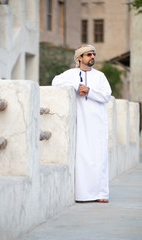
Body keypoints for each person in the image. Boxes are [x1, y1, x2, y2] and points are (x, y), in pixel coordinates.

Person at [52, 44, 112, 203]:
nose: (92, 57)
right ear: (79, 58)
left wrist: (89, 91)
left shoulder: (100, 76)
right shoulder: (70, 74)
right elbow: (55, 82)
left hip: (97, 122)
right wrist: (76, 86)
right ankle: (82, 195)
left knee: (99, 157)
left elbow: (106, 96)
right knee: (82, 156)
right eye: (88, 54)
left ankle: (101, 194)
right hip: (80, 122)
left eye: (93, 54)